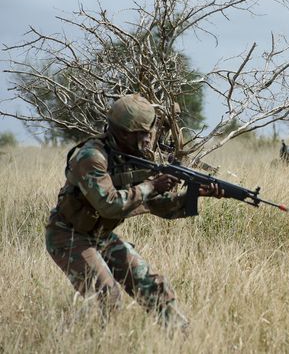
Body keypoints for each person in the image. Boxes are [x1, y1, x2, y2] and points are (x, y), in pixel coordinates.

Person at [45, 94, 220, 331]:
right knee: (106, 296)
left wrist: (194, 196)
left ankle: (183, 337)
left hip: (101, 235)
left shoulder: (134, 156)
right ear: (126, 132)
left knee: (149, 284)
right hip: (68, 235)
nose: (149, 138)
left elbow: (157, 205)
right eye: (144, 133)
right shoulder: (91, 157)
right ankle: (70, 340)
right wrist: (151, 186)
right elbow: (109, 204)